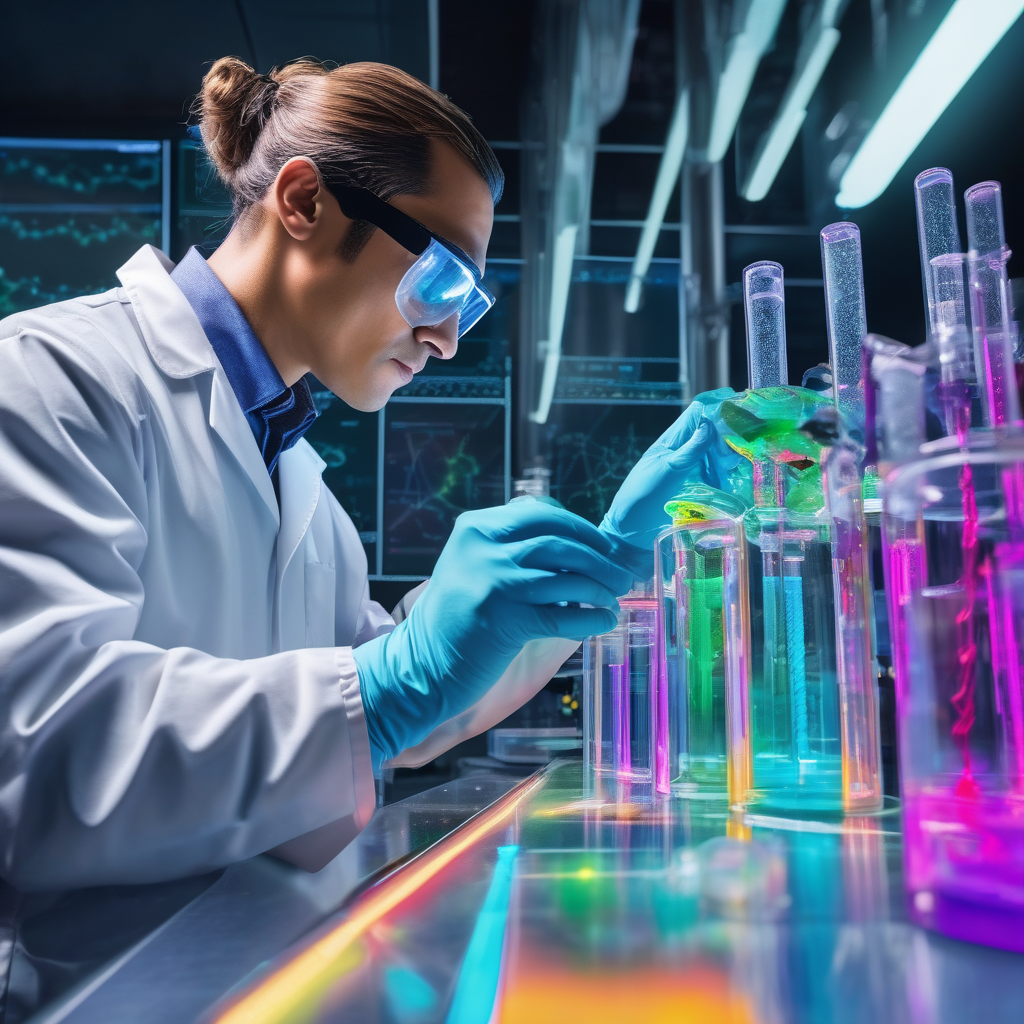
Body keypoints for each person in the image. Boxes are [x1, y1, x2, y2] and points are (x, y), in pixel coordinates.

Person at [0, 57, 727, 898]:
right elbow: (39, 755)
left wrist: (611, 560)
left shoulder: (296, 476)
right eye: (442, 278)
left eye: (469, 300)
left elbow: (395, 706)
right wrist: (385, 689)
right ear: (304, 202)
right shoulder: (53, 380)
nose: (449, 337)